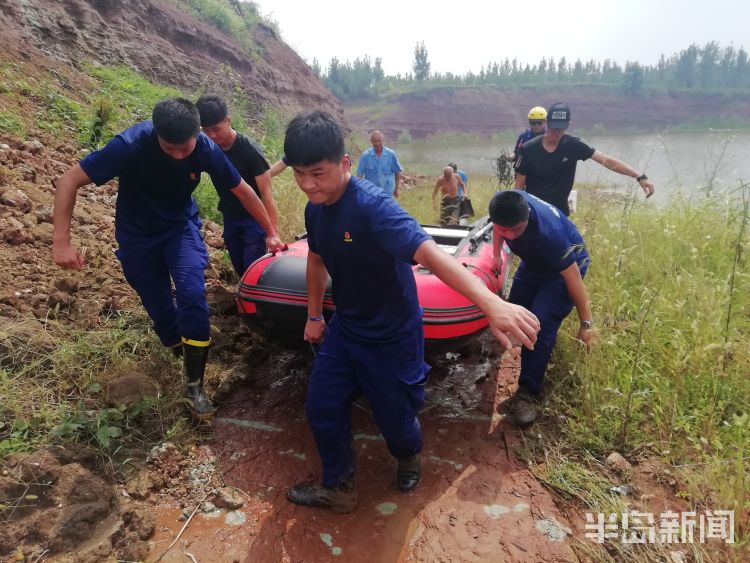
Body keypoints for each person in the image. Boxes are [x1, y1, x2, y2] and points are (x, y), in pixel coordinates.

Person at [282, 111, 540, 513]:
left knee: (397, 420)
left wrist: (490, 302)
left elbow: (431, 255)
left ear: (345, 163)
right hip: (348, 329)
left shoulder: (374, 209)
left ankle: (408, 456)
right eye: (299, 174)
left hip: (392, 335)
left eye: (317, 173)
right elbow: (316, 260)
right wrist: (315, 316)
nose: (308, 185)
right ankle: (339, 486)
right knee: (321, 405)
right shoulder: (315, 209)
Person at [52, 97, 284, 420]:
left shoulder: (205, 147)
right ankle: (179, 342)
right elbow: (69, 180)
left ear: (196, 134)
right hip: (137, 236)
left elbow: (243, 190)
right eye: (169, 148)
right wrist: (61, 241)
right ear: (157, 134)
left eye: (184, 150)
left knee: (192, 292)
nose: (178, 155)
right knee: (159, 306)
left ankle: (195, 387)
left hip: (180, 228)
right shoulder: (130, 145)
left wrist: (271, 231)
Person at [490, 190, 592, 426]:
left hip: (564, 270)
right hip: (534, 262)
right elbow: (499, 229)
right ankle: (530, 355)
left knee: (539, 324)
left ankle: (527, 392)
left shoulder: (550, 234)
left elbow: (573, 279)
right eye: (505, 230)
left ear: (527, 219)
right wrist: (496, 255)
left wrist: (586, 323)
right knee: (515, 310)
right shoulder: (504, 207)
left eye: (516, 230)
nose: (509, 235)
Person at [515, 102, 655, 216]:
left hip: (560, 214)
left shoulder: (574, 145)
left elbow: (606, 160)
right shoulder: (527, 149)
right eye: (553, 127)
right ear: (547, 123)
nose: (556, 133)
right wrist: (516, 212)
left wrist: (639, 176)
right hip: (533, 213)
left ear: (568, 125)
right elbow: (519, 185)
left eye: (560, 129)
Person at [196, 95, 280, 276]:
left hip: (254, 218)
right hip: (230, 216)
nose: (212, 135)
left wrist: (272, 233)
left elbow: (266, 193)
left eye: (216, 129)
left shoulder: (249, 150)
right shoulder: (208, 148)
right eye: (206, 130)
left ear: (228, 121)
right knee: (240, 267)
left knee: (253, 269)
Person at [356, 130, 403, 197]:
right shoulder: (365, 155)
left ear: (383, 140)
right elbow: (359, 175)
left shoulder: (391, 154)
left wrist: (397, 188)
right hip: (371, 193)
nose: (377, 143)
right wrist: (359, 191)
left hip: (388, 192)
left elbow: (397, 172)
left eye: (379, 141)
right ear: (371, 141)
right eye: (375, 141)